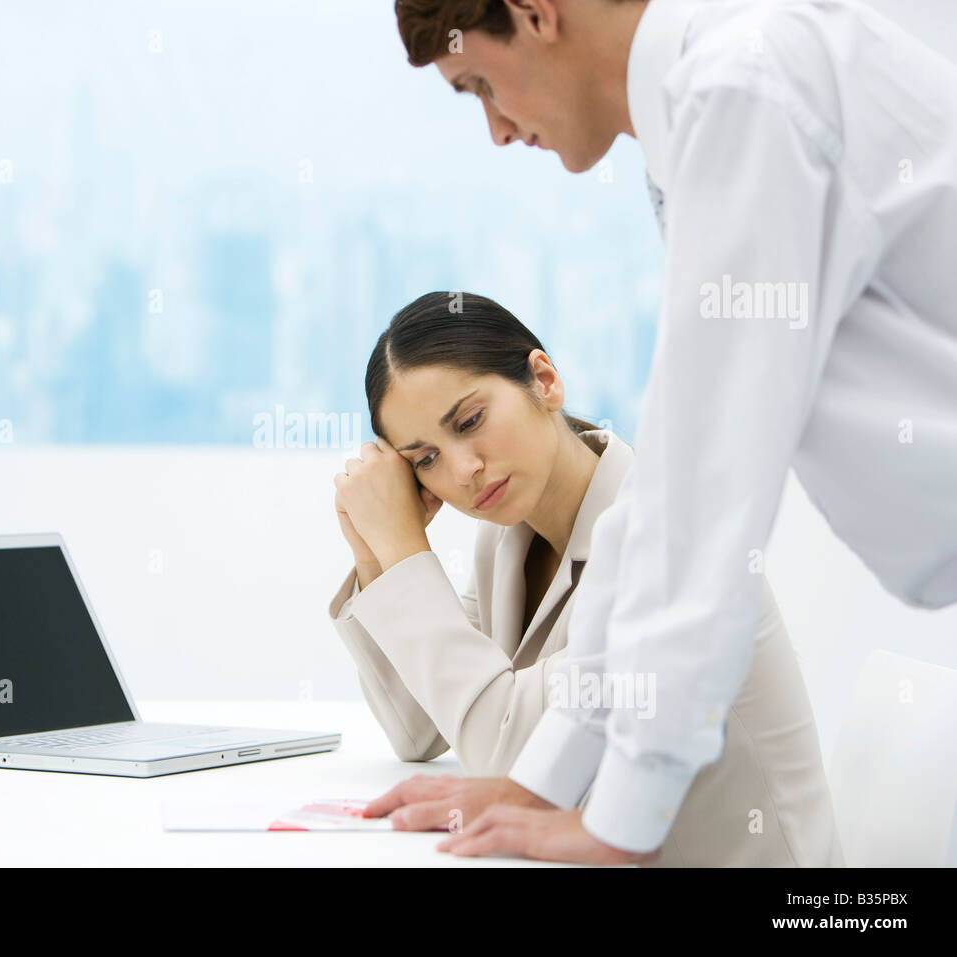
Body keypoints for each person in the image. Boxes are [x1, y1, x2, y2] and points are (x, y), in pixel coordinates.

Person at [367, 0, 957, 862]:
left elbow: (710, 499)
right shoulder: (707, 113)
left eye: (482, 85)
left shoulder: (742, 91)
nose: (496, 130)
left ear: (536, 13)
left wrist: (617, 823)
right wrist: (543, 782)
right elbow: (672, 490)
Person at [330, 290, 841, 865]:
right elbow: (421, 732)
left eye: (470, 420)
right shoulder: (505, 537)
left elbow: (513, 762)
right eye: (425, 460)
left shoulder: (665, 538)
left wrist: (403, 552)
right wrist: (376, 555)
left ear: (544, 380)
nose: (463, 469)